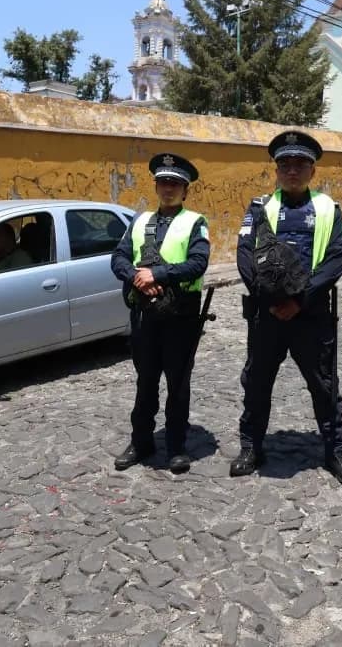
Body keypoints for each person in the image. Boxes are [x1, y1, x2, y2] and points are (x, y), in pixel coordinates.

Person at [231, 130, 342, 487]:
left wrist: (298, 301)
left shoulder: (327, 209)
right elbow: (244, 256)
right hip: (266, 317)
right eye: (284, 163)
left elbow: (335, 260)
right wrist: (273, 300)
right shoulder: (259, 208)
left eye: (300, 164)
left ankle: (336, 452)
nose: (292, 170)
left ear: (312, 170)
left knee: (324, 386)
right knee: (256, 384)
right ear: (275, 168)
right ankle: (251, 447)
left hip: (311, 317)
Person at [109, 153, 210, 473]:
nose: (168, 188)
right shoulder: (139, 222)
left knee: (178, 383)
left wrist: (158, 275)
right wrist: (137, 277)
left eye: (175, 184)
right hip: (145, 315)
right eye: (163, 182)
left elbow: (198, 262)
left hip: (180, 315)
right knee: (146, 380)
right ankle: (141, 441)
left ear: (185, 190)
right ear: (156, 186)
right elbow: (119, 259)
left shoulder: (195, 222)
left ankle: (177, 446)